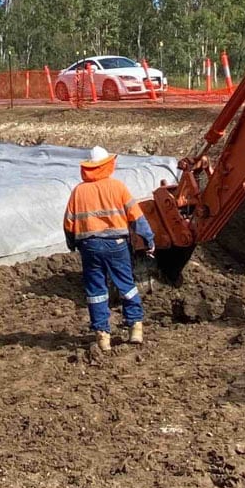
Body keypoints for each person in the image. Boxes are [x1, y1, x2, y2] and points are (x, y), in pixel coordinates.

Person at [63, 146, 155, 352]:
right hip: (117, 244)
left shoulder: (78, 191)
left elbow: (69, 223)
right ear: (108, 165)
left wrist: (73, 244)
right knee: (126, 284)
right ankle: (135, 328)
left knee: (96, 291)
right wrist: (149, 240)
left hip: (89, 246)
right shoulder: (117, 187)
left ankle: (102, 336)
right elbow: (137, 217)